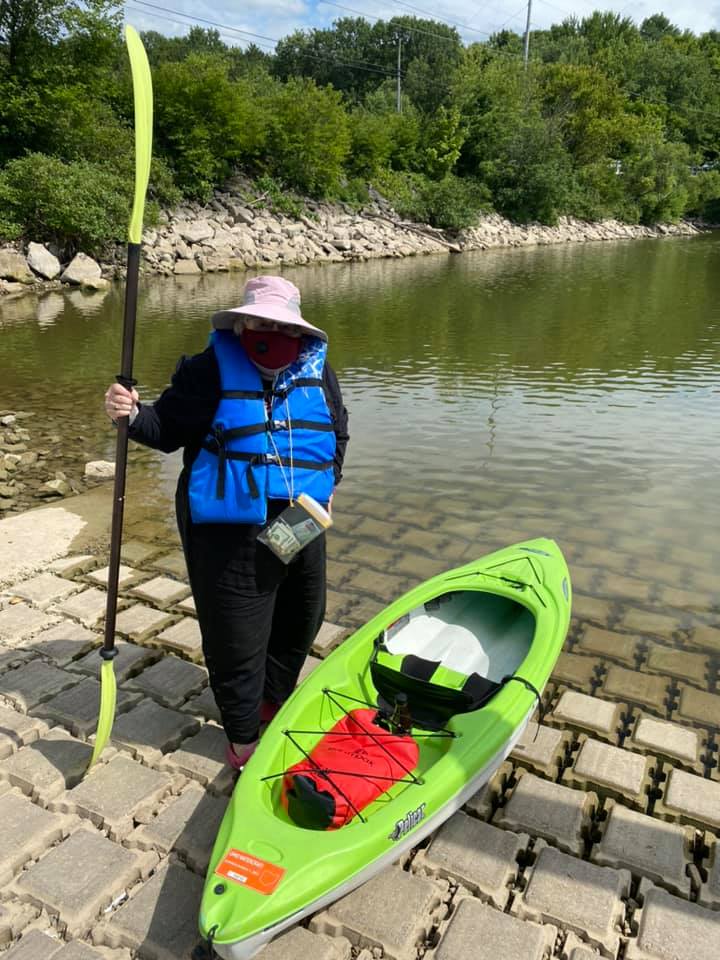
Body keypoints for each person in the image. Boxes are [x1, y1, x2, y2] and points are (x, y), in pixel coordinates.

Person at [104, 275, 349, 769]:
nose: (271, 332)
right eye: (259, 322)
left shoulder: (316, 370)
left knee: (305, 616)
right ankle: (242, 740)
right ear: (241, 324)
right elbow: (165, 429)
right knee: (236, 637)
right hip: (227, 527)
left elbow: (338, 431)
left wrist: (328, 485)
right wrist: (128, 414)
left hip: (299, 520)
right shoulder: (208, 369)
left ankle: (272, 701)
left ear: (299, 331)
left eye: (281, 324)